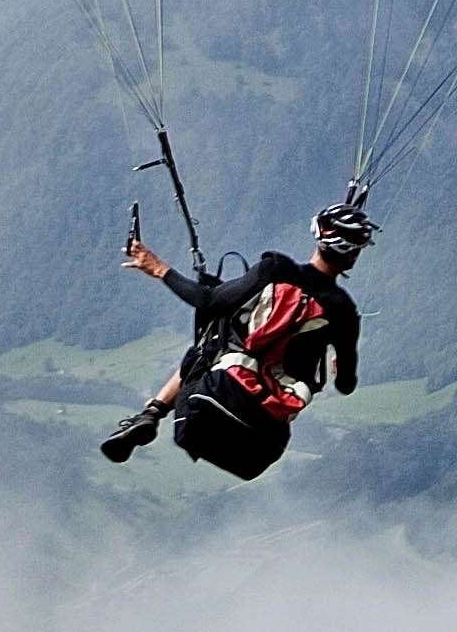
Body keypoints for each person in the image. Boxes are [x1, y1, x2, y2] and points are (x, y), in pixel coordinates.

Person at [99, 196, 371, 463]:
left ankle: (152, 414)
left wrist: (159, 268)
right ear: (354, 254)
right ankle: (151, 415)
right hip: (263, 437)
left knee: (211, 341)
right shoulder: (344, 311)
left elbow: (207, 300)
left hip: (214, 399)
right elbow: (345, 385)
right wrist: (337, 367)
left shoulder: (274, 270)